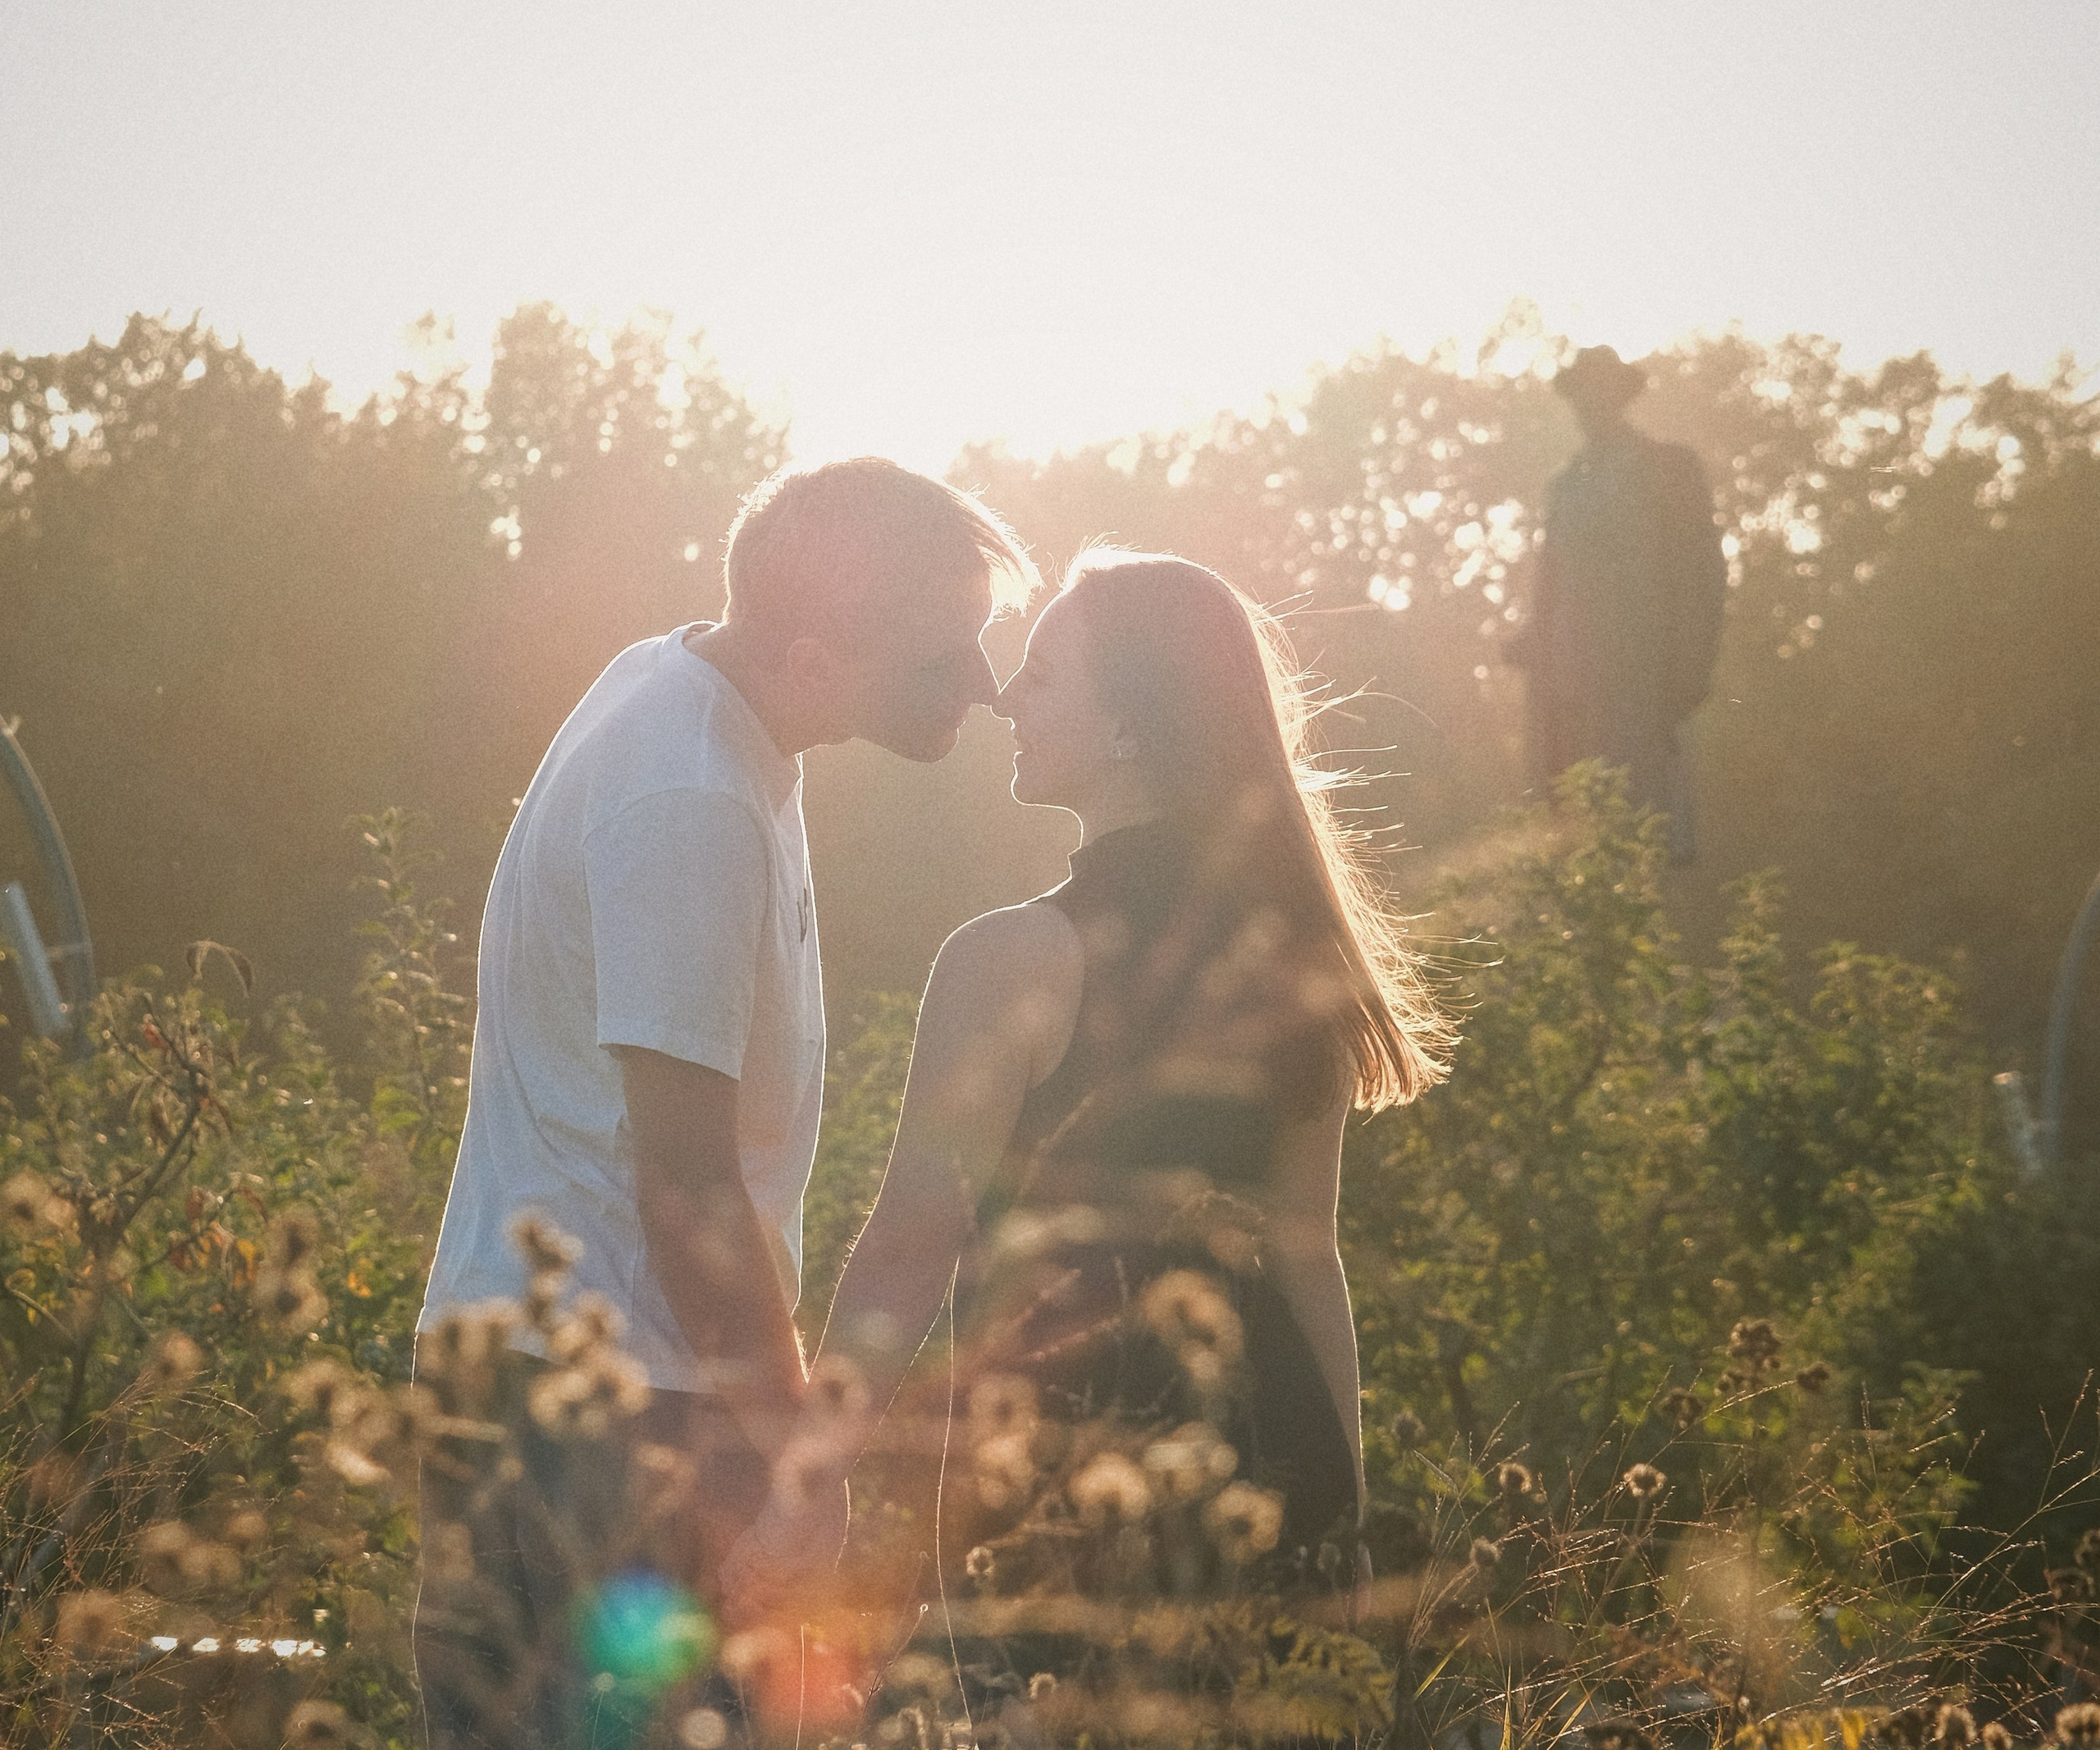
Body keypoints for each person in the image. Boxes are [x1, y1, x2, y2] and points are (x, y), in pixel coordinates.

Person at [727, 549, 1449, 1719]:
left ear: (1125, 726)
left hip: (1064, 1501)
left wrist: (806, 1482)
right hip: (1279, 1487)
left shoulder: (1011, 958)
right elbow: (1306, 1256)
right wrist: (1344, 1519)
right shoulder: (1293, 953)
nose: (1005, 698)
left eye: (1044, 675)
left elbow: (910, 1246)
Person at [410, 457, 1036, 1750]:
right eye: (943, 657)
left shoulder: (691, 694)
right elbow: (688, 1187)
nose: (983, 684)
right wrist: (793, 1464)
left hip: (576, 1389)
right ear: (812, 661)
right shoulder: (690, 794)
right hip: (607, 1416)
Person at [1504, 345, 1728, 861]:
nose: (1589, 404)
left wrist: (1692, 669)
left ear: (1621, 396)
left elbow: (1703, 571)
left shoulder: (1669, 467)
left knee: (1647, 834)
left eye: (1600, 391)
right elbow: (1551, 589)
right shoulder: (1565, 486)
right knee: (1577, 841)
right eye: (1580, 394)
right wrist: (1530, 643)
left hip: (1644, 680)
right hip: (1571, 689)